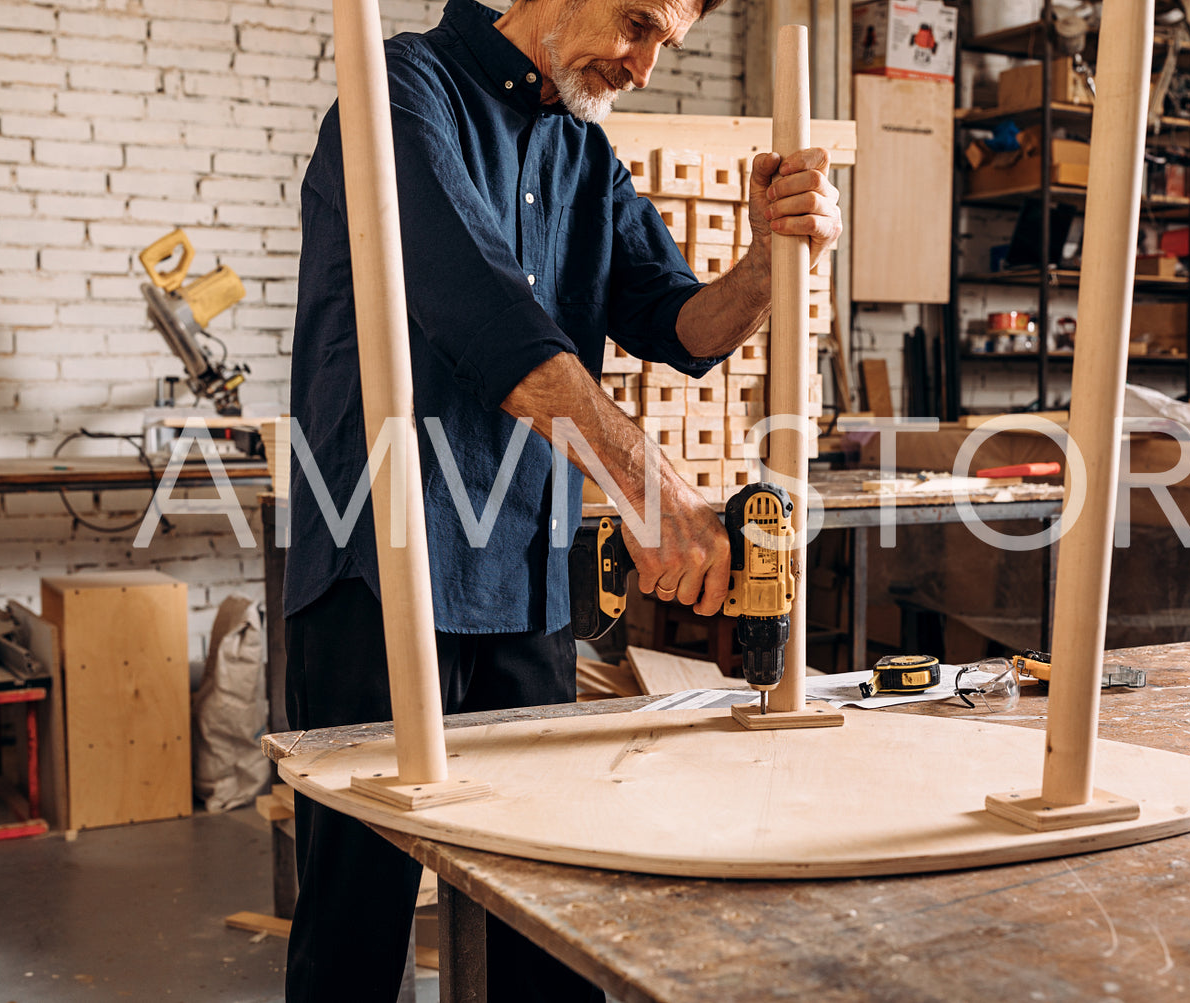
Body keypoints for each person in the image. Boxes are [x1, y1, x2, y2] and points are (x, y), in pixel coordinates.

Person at [283, 0, 843, 998]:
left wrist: (770, 256)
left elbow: (681, 324)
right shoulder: (400, 93)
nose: (640, 64)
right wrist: (657, 494)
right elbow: (487, 319)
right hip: (384, 556)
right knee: (359, 913)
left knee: (545, 901)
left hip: (521, 570)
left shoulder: (586, 155)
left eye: (663, 46)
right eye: (635, 24)